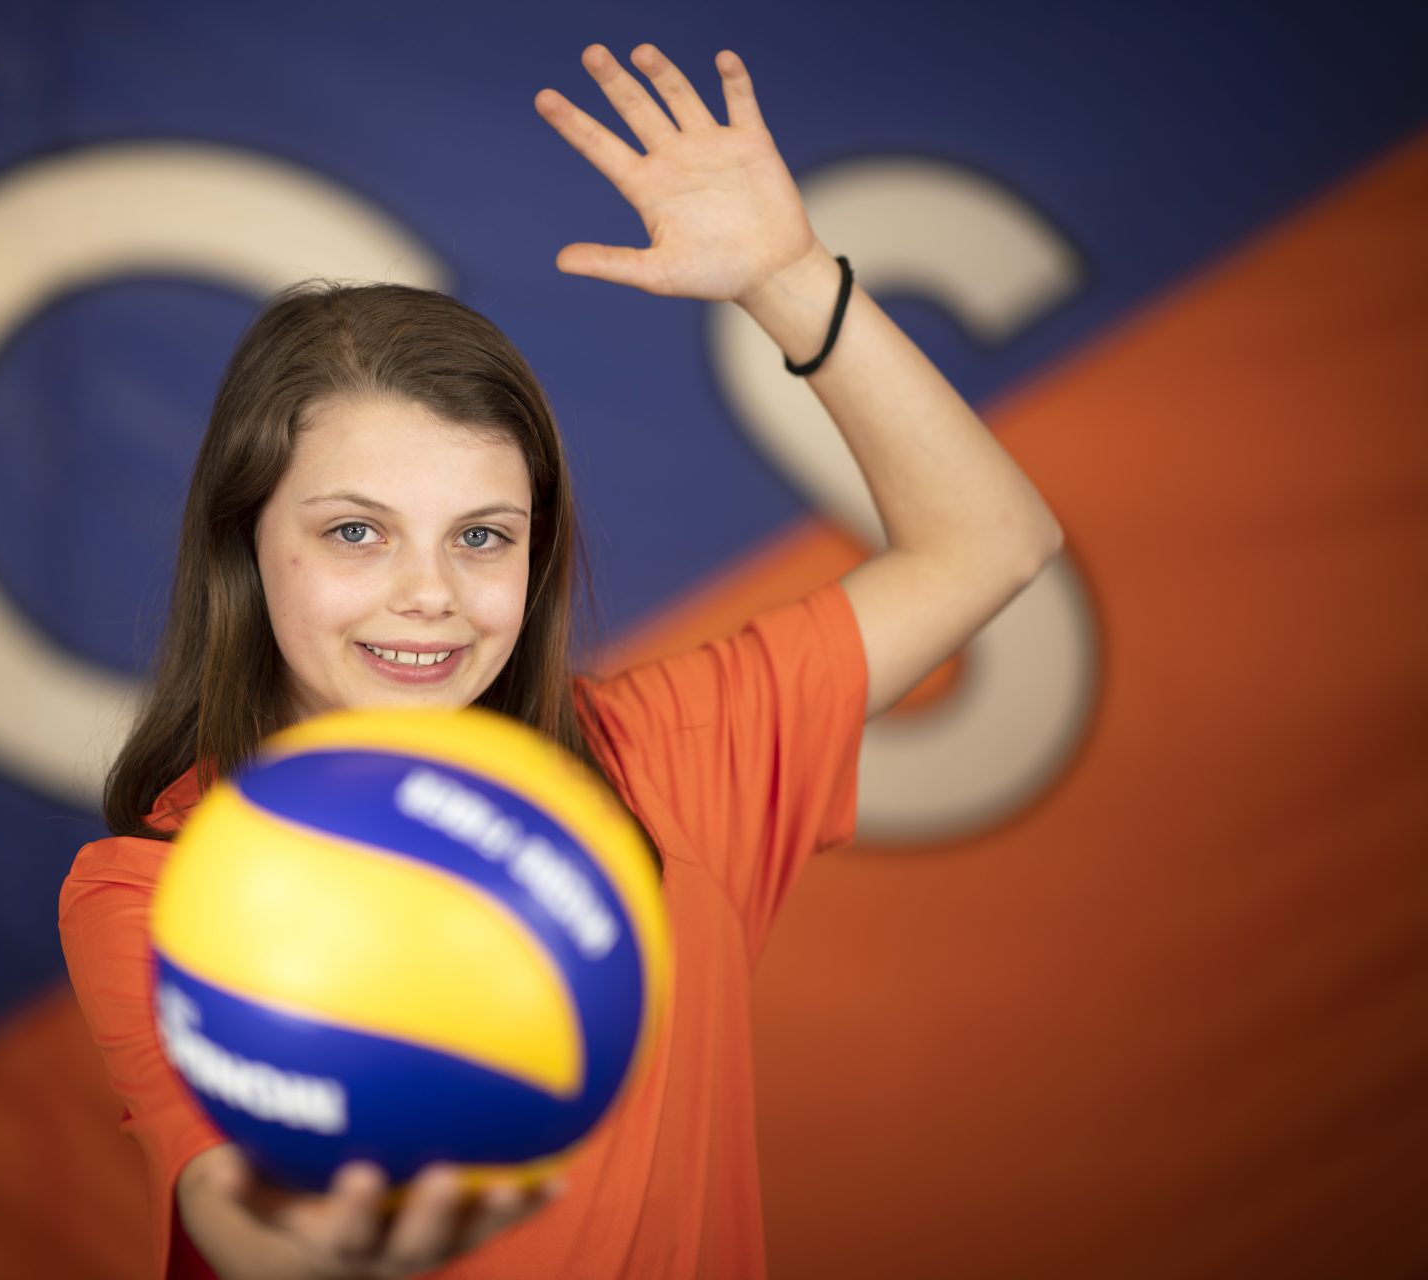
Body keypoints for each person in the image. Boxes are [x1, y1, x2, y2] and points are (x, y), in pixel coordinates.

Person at [59, 41, 1063, 1280]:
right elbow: (242, 1221)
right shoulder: (151, 888)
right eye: (356, 531)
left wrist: (792, 279)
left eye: (482, 535)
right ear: (244, 539)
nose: (429, 592)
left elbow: (994, 540)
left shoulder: (664, 766)